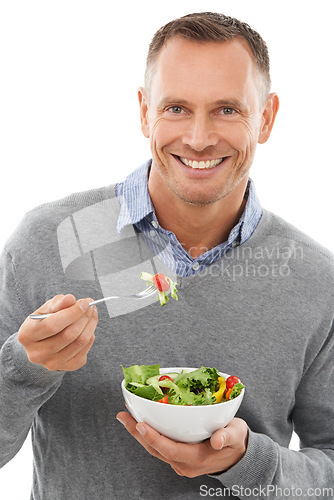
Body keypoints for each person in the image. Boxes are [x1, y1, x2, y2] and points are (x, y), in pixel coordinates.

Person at [0, 11, 333, 500]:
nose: (198, 138)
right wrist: (24, 368)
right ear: (143, 111)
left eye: (227, 110)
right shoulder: (48, 240)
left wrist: (250, 463)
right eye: (176, 108)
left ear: (266, 117)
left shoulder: (317, 281)